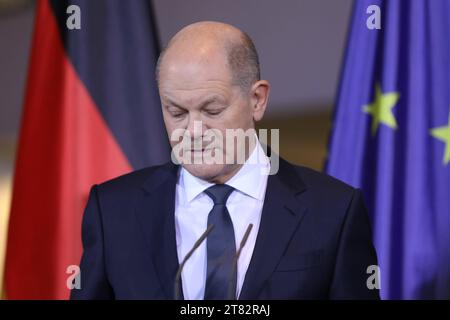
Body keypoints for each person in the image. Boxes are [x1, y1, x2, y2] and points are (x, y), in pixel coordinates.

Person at [71, 21, 379, 300]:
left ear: (257, 100)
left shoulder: (333, 210)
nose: (192, 131)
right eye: (176, 112)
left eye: (212, 110)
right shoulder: (112, 210)